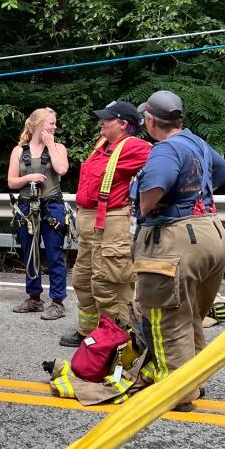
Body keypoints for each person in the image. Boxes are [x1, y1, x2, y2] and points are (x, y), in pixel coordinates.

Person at [132, 90, 225, 409]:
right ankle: (195, 377)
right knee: (190, 315)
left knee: (166, 318)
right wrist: (193, 196)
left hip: (176, 236)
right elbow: (223, 171)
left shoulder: (164, 150)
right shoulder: (196, 142)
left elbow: (152, 192)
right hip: (211, 231)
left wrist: (147, 206)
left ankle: (178, 391)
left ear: (150, 120)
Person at [59, 100, 151, 348]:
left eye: (107, 119)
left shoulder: (135, 146)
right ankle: (88, 330)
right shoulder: (104, 144)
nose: (101, 122)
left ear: (123, 124)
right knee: (83, 279)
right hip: (89, 222)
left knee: (109, 282)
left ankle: (117, 337)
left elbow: (163, 163)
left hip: (111, 222)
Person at [8, 108, 69, 320]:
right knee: (29, 253)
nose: (54, 127)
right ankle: (34, 298)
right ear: (37, 125)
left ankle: (58, 301)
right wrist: (29, 177)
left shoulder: (58, 147)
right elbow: (12, 181)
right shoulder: (19, 151)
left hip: (51, 207)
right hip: (26, 207)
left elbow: (62, 170)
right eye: (50, 123)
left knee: (54, 254)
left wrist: (50, 144)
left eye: (54, 123)